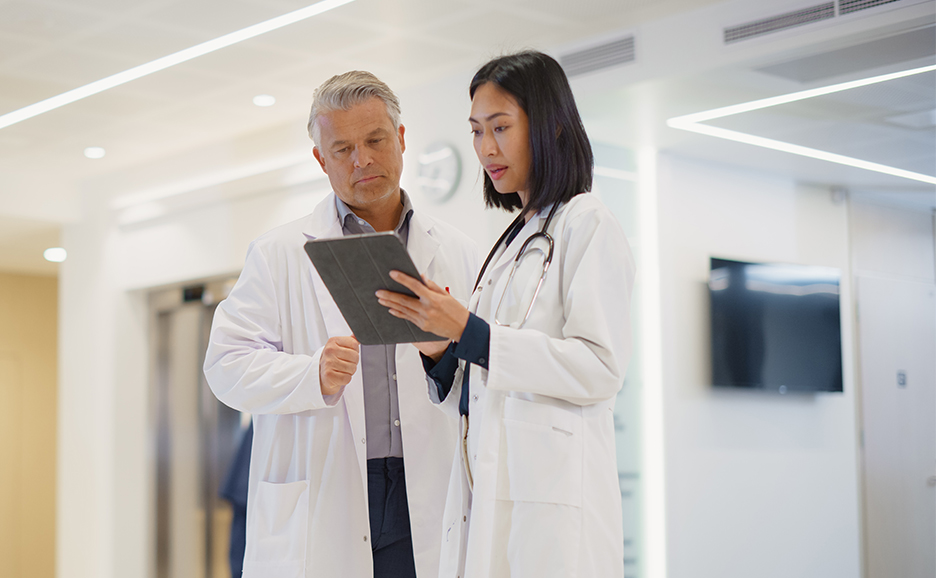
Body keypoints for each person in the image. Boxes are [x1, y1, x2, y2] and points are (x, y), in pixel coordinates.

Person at [204, 70, 478, 578]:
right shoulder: (278, 253)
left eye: (375, 140)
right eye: (343, 149)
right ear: (320, 159)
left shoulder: (458, 253)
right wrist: (312, 375)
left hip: (426, 488)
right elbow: (224, 366)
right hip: (328, 490)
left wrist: (443, 355)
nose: (362, 160)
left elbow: (486, 380)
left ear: (401, 138)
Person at [376, 51, 635, 578]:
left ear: (551, 125)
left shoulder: (587, 223)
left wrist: (469, 330)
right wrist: (440, 351)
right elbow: (484, 384)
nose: (486, 148)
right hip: (492, 492)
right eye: (476, 131)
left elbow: (600, 368)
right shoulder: (514, 240)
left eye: (500, 127)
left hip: (554, 509)